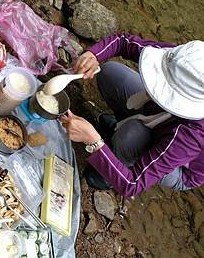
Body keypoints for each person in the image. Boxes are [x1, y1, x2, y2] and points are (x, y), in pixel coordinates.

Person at [60, 33, 204, 198]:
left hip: (180, 168)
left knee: (131, 136)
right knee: (111, 72)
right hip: (162, 116)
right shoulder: (184, 60)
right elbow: (123, 41)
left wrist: (93, 142)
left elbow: (133, 185)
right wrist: (93, 55)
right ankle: (119, 125)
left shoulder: (192, 135)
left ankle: (112, 173)